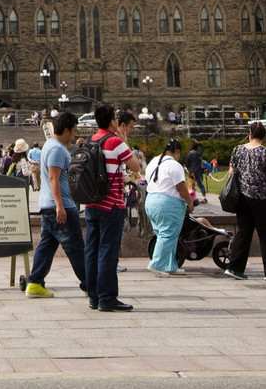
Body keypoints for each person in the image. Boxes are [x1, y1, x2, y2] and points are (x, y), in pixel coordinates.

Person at [83, 104, 137, 313]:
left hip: (91, 203)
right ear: (112, 121)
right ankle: (107, 298)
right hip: (112, 203)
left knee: (92, 250)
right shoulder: (115, 141)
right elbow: (135, 166)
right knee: (108, 251)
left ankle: (94, 297)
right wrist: (124, 141)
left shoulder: (91, 140)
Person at [223, 119, 266, 280]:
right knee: (265, 235)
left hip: (242, 198)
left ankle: (235, 268)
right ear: (264, 136)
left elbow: (231, 173)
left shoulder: (238, 150)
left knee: (244, 232)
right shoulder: (265, 152)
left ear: (250, 134)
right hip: (262, 198)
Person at [144, 137, 196, 275]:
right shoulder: (174, 165)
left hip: (151, 201)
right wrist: (189, 202)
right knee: (168, 235)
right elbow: (181, 186)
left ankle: (169, 264)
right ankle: (156, 264)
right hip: (168, 204)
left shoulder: (153, 162)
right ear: (177, 151)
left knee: (164, 234)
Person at [183, 140, 208, 205]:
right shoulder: (198, 153)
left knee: (192, 185)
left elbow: (187, 163)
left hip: (192, 171)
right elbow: (203, 148)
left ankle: (192, 197)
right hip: (198, 171)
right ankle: (204, 197)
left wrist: (188, 169)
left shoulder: (189, 154)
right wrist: (199, 143)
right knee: (200, 184)